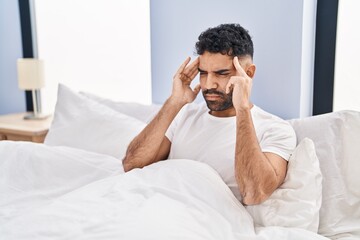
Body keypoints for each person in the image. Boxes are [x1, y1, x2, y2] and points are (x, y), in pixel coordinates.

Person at [122, 23, 296, 205]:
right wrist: (175, 102)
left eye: (221, 73)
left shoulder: (275, 129)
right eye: (203, 73)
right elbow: (132, 164)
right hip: (155, 204)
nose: (209, 84)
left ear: (249, 73)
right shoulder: (184, 114)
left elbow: (254, 194)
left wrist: (242, 109)